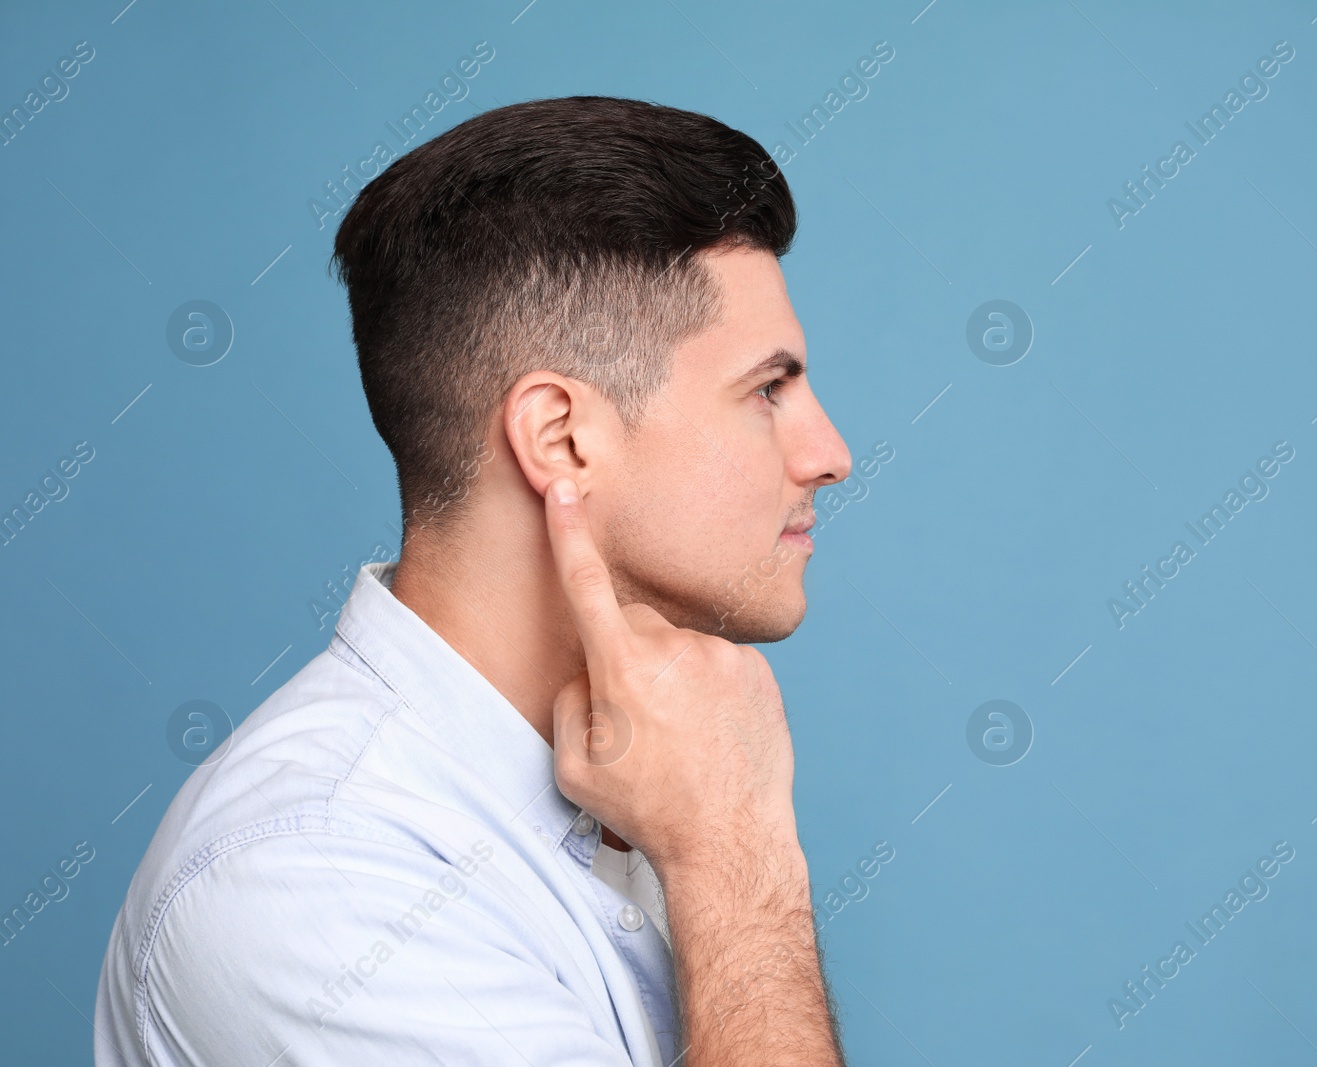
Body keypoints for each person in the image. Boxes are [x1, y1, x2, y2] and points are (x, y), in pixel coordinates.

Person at [95, 96, 855, 1066]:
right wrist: (735, 862)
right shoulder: (315, 879)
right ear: (560, 438)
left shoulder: (653, 776)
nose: (827, 452)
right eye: (767, 389)